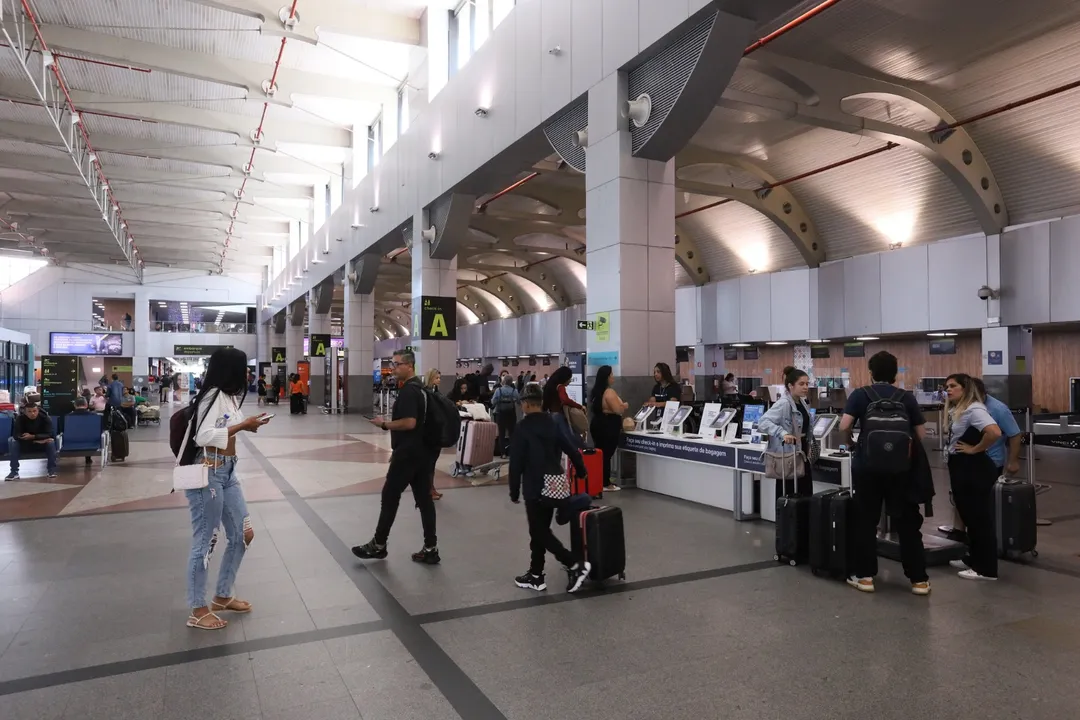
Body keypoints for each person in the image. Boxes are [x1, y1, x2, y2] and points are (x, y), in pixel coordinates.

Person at [180, 348, 270, 630]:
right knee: (205, 542)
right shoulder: (213, 396)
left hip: (227, 470)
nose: (246, 374)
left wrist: (247, 426)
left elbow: (228, 427)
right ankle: (197, 608)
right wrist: (243, 425)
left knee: (244, 534)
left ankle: (222, 594)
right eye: (243, 368)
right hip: (208, 472)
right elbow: (203, 436)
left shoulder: (228, 397)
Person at [839, 351, 931, 596]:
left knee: (866, 521)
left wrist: (851, 443)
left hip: (867, 469)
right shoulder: (906, 398)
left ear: (871, 372)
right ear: (894, 373)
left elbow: (844, 426)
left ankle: (866, 577)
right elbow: (921, 435)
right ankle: (919, 580)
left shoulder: (861, 395)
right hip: (901, 470)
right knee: (907, 523)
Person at [352, 350, 440, 564]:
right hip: (422, 454)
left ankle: (379, 545)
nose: (393, 368)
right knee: (425, 501)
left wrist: (384, 424)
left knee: (390, 496)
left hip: (408, 454)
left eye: (397, 364)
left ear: (409, 366)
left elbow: (409, 422)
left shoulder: (410, 391)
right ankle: (431, 548)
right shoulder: (421, 390)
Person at [509, 384, 592, 593]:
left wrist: (513, 491)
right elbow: (571, 448)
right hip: (555, 485)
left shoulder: (522, 428)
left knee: (539, 531)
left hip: (535, 487)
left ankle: (575, 564)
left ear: (526, 404)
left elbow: (516, 463)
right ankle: (536, 575)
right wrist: (581, 471)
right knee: (540, 531)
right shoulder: (553, 422)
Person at [939, 377, 1022, 540]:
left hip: (989, 461)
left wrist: (1013, 460)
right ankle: (959, 531)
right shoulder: (962, 407)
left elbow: (1014, 434)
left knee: (979, 505)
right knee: (962, 498)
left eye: (953, 386)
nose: (949, 390)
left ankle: (981, 541)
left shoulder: (996, 409)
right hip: (966, 463)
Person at [942, 373, 1002, 582]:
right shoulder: (958, 410)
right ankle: (974, 558)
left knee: (978, 519)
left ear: (965, 388)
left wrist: (975, 449)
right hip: (961, 466)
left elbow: (993, 432)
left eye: (953, 386)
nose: (948, 390)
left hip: (974, 468)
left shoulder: (974, 409)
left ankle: (986, 569)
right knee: (968, 515)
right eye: (946, 386)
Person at [758, 366, 814, 498]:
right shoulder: (784, 403)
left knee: (804, 494)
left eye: (807, 384)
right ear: (790, 386)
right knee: (789, 494)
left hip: (801, 453)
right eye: (801, 384)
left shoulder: (801, 402)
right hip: (789, 456)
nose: (805, 387)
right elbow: (763, 422)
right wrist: (783, 433)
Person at [589, 365, 628, 492]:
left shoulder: (596, 392)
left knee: (600, 453)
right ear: (606, 377)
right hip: (608, 425)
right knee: (606, 454)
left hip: (597, 424)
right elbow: (617, 410)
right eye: (611, 375)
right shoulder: (609, 392)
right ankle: (606, 483)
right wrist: (624, 405)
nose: (613, 377)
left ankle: (599, 480)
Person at [6, 402, 57, 480]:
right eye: (29, 411)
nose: (32, 413)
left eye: (34, 411)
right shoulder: (20, 419)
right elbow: (16, 435)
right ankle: (14, 472)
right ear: (25, 412)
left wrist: (34, 437)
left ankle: (51, 470)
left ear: (38, 410)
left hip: (41, 444)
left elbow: (50, 434)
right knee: (14, 443)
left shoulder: (45, 418)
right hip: (26, 443)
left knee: (51, 443)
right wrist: (31, 439)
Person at [423, 369, 444, 501]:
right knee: (428, 464)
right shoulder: (426, 393)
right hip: (428, 433)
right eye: (437, 378)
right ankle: (428, 489)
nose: (439, 380)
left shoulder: (436, 392)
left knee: (432, 464)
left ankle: (431, 487)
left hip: (436, 432)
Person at [491, 375, 521, 457]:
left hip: (500, 414)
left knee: (501, 434)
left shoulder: (498, 390)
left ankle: (503, 453)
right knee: (512, 434)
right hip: (511, 414)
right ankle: (512, 452)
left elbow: (493, 401)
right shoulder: (514, 391)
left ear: (503, 381)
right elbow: (519, 401)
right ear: (511, 382)